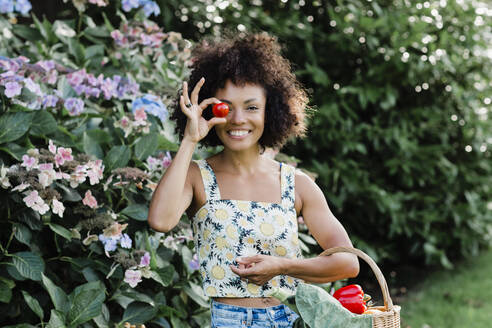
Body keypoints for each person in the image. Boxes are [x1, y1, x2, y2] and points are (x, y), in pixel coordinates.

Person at [148, 32, 359, 328]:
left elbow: (348, 263)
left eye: (251, 107)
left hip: (287, 318)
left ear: (270, 112)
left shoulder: (296, 184)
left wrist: (283, 266)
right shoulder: (197, 176)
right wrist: (190, 139)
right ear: (210, 110)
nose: (237, 119)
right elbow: (160, 220)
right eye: (225, 107)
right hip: (229, 321)